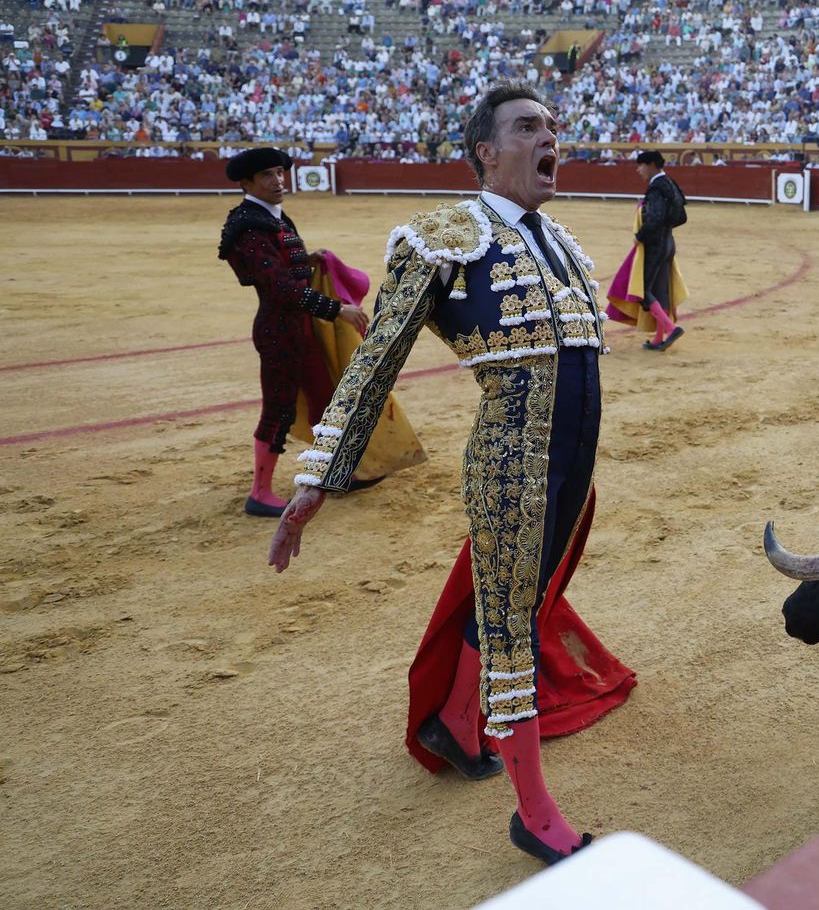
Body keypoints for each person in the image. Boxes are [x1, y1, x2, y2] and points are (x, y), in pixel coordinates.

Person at [268, 86, 629, 864]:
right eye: (527, 127)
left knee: (522, 610)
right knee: (509, 626)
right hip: (510, 465)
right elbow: (376, 359)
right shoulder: (439, 237)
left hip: (573, 462)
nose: (549, 137)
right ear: (486, 153)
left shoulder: (561, 241)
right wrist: (317, 477)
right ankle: (534, 813)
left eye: (553, 126)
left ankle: (458, 725)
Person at [218, 147, 369, 517]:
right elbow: (279, 287)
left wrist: (309, 260)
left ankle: (331, 472)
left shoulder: (271, 216)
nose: (278, 180)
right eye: (267, 175)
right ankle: (260, 492)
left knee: (324, 399)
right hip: (278, 331)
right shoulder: (249, 225)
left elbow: (287, 268)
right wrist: (336, 309)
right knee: (278, 409)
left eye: (280, 172)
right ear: (246, 183)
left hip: (297, 327)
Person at [605, 150, 688, 351]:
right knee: (659, 290)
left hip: (655, 245)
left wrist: (640, 236)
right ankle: (659, 338)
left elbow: (655, 217)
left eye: (640, 165)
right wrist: (665, 228)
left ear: (651, 165)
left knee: (641, 290)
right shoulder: (670, 184)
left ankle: (670, 328)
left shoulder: (656, 188)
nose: (638, 170)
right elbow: (681, 216)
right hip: (669, 242)